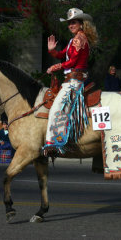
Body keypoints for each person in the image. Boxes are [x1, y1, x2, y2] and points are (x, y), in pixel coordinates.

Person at [42, 8, 98, 154]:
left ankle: (54, 142)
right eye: (69, 23)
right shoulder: (75, 39)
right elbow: (63, 55)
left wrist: (55, 66)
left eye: (74, 22)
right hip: (70, 79)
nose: (71, 25)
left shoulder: (79, 39)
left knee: (57, 107)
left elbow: (72, 61)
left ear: (81, 24)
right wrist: (52, 51)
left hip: (74, 81)